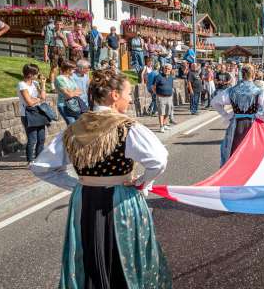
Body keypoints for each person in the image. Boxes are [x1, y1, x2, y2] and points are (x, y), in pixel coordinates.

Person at [30, 69, 171, 288]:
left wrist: (77, 184)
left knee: (88, 254)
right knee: (124, 255)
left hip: (84, 199)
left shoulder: (73, 130)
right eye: (127, 94)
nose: (129, 99)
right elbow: (159, 159)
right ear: (114, 95)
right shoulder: (126, 127)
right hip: (120, 199)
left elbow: (41, 167)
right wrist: (142, 182)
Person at [212, 64, 264, 166]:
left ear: (241, 74)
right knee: (253, 151)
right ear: (253, 74)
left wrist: (226, 115)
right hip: (253, 124)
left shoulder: (231, 90)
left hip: (236, 125)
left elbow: (214, 102)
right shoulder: (258, 91)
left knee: (233, 150)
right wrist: (263, 116)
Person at [18, 64, 47, 162]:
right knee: (32, 139)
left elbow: (43, 97)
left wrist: (43, 85)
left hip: (38, 112)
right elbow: (29, 102)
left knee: (42, 138)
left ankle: (39, 159)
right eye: (36, 73)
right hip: (27, 114)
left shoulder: (35, 83)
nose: (38, 74)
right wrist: (38, 99)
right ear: (30, 74)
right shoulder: (22, 85)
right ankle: (30, 161)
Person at [55, 60, 82, 125]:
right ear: (68, 69)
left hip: (74, 105)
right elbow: (68, 94)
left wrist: (71, 92)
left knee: (78, 125)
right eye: (73, 69)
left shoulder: (71, 78)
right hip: (64, 105)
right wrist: (73, 92)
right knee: (72, 126)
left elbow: (80, 91)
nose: (74, 70)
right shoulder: (60, 78)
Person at [153, 63, 175, 132]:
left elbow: (171, 86)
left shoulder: (171, 77)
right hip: (161, 97)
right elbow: (153, 87)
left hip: (169, 97)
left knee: (167, 112)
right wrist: (157, 94)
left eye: (168, 69)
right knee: (161, 112)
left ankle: (165, 124)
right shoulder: (158, 76)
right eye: (165, 68)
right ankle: (161, 126)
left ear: (170, 70)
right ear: (163, 69)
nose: (167, 70)